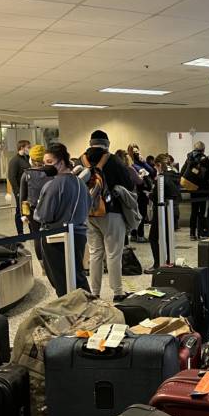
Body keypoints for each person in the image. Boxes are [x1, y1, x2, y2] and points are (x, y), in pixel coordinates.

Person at [80, 129, 136, 302]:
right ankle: (117, 292)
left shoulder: (81, 160)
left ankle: (95, 292)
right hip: (111, 212)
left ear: (90, 143)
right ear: (107, 144)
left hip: (88, 213)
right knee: (113, 254)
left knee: (95, 253)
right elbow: (129, 183)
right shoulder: (113, 160)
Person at [34, 142, 90, 297]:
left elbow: (43, 215)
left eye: (49, 162)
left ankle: (72, 308)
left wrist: (36, 211)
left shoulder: (53, 185)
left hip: (56, 238)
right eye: (44, 163)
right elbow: (88, 205)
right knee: (77, 276)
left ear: (61, 162)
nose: (46, 166)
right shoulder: (80, 183)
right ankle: (86, 305)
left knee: (61, 281)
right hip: (79, 235)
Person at [19, 144, 55, 264]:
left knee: (37, 236)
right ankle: (52, 261)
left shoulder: (26, 174)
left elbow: (23, 197)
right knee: (51, 235)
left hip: (33, 210)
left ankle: (42, 264)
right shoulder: (52, 173)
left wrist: (23, 214)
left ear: (32, 159)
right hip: (51, 209)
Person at [146, 153, 181, 273]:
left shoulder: (161, 177)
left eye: (156, 166)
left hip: (161, 210)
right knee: (168, 237)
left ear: (159, 165)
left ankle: (157, 264)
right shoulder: (175, 175)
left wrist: (149, 195)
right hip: (173, 209)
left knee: (153, 237)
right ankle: (169, 261)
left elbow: (156, 196)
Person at [180, 141, 209, 239]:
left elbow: (182, 172)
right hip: (203, 188)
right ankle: (201, 232)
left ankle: (192, 233)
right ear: (203, 150)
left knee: (194, 211)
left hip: (193, 188)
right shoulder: (206, 160)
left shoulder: (189, 158)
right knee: (202, 211)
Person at [127, 144, 151, 243]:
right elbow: (139, 179)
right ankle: (139, 235)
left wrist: (144, 162)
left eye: (137, 151)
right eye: (134, 152)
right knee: (138, 214)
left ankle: (136, 234)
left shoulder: (141, 163)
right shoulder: (131, 165)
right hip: (136, 192)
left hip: (142, 192)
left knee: (141, 213)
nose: (136, 154)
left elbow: (152, 171)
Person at [7, 140, 30, 235]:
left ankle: (32, 232)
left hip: (28, 190)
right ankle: (20, 233)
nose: (29, 149)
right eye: (28, 147)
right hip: (20, 191)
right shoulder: (14, 161)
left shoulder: (27, 158)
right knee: (20, 211)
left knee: (28, 210)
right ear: (22, 148)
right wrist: (17, 191)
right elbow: (11, 177)